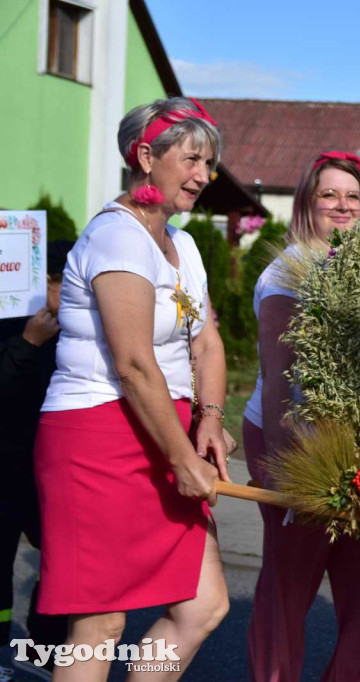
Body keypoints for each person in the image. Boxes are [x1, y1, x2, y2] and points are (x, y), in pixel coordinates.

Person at [34, 97, 230, 681]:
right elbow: (133, 364)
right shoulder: (116, 236)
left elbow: (208, 343)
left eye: (210, 163)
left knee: (203, 605)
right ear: (146, 156)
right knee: (99, 626)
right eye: (192, 159)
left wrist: (211, 420)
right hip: (96, 435)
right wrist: (180, 453)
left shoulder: (185, 245)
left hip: (163, 428)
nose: (203, 175)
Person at [243, 150, 360, 682]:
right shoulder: (287, 273)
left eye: (353, 196)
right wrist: (279, 464)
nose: (343, 205)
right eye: (329, 195)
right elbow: (277, 377)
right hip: (295, 439)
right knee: (288, 593)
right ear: (306, 204)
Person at [0, 241, 73, 680]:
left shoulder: (78, 329)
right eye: (67, 287)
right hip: (5, 463)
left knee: (60, 554)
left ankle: (44, 648)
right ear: (44, 282)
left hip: (49, 463)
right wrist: (29, 341)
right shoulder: (12, 320)